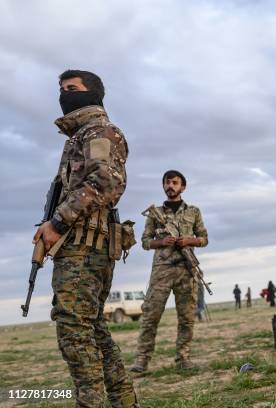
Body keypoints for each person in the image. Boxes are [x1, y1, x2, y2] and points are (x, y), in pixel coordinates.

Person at [31, 70, 138, 407]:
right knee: (92, 329)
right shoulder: (79, 138)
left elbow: (106, 182)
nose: (65, 94)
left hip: (85, 245)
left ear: (93, 94)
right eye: (61, 89)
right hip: (79, 243)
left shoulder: (101, 131)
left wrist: (58, 224)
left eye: (73, 89)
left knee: (74, 330)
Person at [131, 170, 208, 373]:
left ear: (182, 187)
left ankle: (183, 358)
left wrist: (188, 240)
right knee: (150, 316)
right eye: (167, 182)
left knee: (187, 317)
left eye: (175, 182)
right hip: (162, 271)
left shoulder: (193, 211)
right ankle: (142, 361)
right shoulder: (155, 213)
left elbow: (204, 238)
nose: (170, 186)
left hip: (186, 269)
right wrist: (162, 242)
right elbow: (145, 242)